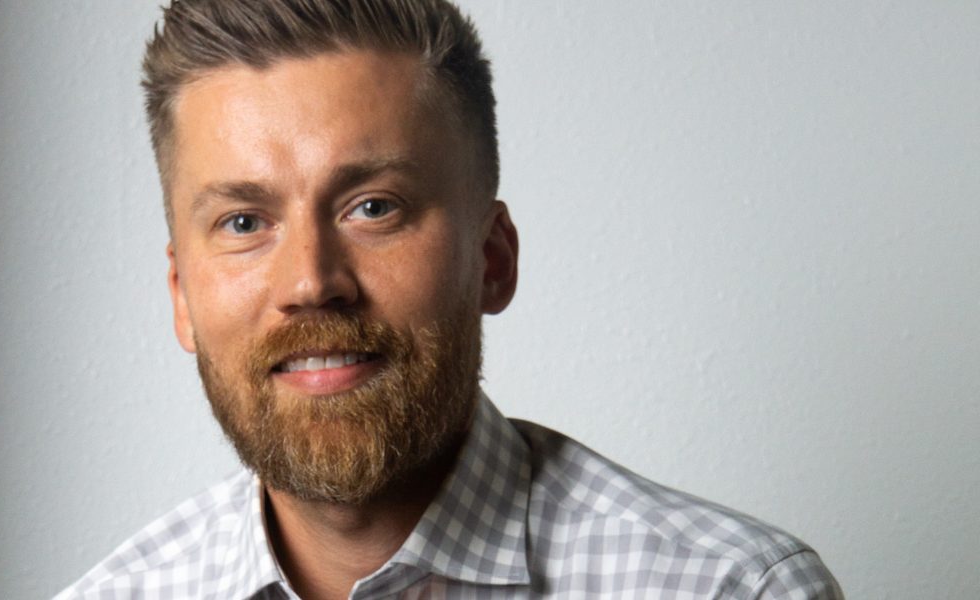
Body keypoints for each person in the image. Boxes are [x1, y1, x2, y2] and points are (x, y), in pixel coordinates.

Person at [55, 1, 842, 598]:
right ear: (182, 298)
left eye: (374, 206)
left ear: (493, 258)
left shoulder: (729, 590)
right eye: (243, 222)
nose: (309, 281)